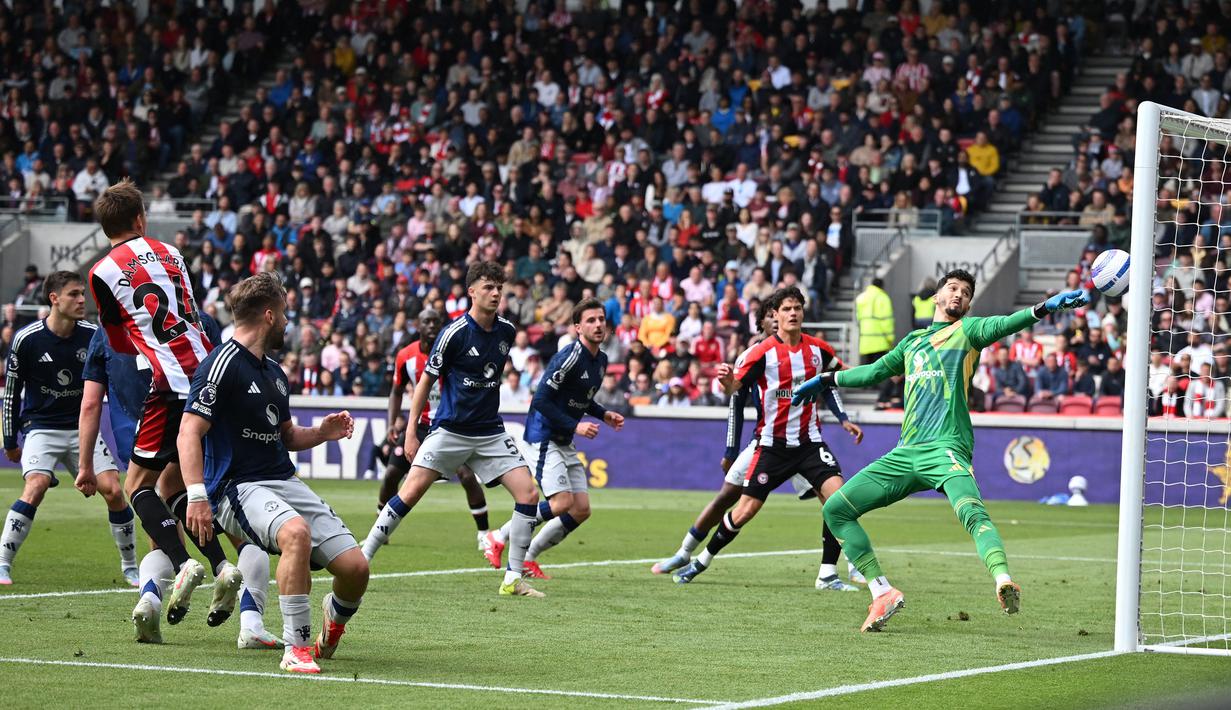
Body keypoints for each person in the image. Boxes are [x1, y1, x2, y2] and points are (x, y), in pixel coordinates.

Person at [793, 269, 1088, 631]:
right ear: (936, 297)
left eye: (966, 292)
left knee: (973, 514)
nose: (959, 295)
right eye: (952, 288)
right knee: (836, 510)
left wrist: (1044, 308)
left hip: (946, 448)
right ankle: (881, 592)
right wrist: (827, 379)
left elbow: (1006, 323)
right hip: (906, 453)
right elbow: (871, 373)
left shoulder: (968, 332)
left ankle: (1003, 580)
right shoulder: (912, 342)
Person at [178, 272, 369, 673]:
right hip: (236, 487)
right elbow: (188, 433)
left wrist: (321, 433)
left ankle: (332, 623)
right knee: (295, 533)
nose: (287, 322)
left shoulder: (274, 373)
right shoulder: (221, 365)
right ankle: (296, 649)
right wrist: (196, 495)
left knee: (356, 569)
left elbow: (284, 435)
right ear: (269, 314)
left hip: (282, 480)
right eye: (284, 313)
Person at [87, 179, 241, 635]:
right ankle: (221, 566)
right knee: (174, 486)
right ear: (140, 219)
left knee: (137, 485)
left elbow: (116, 340)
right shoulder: (171, 252)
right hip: (208, 373)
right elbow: (192, 311)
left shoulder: (100, 272)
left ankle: (181, 562)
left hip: (169, 382)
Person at [78, 310, 283, 649]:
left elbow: (90, 404)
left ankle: (153, 597)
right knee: (238, 532)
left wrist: (86, 462)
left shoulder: (108, 329)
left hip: (144, 429)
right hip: (198, 425)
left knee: (151, 516)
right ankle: (247, 614)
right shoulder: (199, 319)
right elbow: (226, 377)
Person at [651, 293, 865, 591]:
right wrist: (726, 387)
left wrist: (847, 411)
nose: (792, 313)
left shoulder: (818, 350)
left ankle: (830, 573)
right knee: (742, 508)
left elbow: (834, 378)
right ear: (774, 315)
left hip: (809, 444)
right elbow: (735, 391)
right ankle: (698, 559)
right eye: (786, 309)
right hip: (770, 445)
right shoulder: (760, 353)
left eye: (797, 308)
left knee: (838, 501)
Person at [360, 262, 546, 598]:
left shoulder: (506, 331)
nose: (495, 293)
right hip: (451, 430)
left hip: (489, 432)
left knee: (528, 495)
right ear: (472, 291)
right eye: (489, 287)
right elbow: (424, 383)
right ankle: (363, 557)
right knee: (410, 491)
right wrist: (412, 432)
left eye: (499, 288)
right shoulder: (454, 333)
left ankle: (512, 578)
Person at [0, 271, 137, 586]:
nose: (82, 301)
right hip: (41, 429)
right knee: (35, 487)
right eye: (74, 294)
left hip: (82, 430)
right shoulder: (27, 339)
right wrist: (10, 438)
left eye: (82, 294)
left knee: (115, 491)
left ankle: (130, 567)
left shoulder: (93, 335)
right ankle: (3, 563)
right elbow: (11, 392)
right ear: (54, 299)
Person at [483, 298, 624, 579]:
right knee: (561, 503)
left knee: (581, 510)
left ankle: (529, 558)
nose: (598, 325)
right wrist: (577, 426)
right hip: (543, 435)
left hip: (563, 436)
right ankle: (497, 536)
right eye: (591, 321)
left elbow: (580, 399)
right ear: (578, 327)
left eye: (601, 319)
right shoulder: (569, 356)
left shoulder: (601, 360)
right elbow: (541, 400)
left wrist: (602, 414)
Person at [382, 308, 490, 548]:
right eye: (426, 322)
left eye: (436, 322)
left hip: (449, 426)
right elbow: (397, 390)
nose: (432, 326)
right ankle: (381, 528)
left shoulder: (453, 350)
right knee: (391, 474)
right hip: (419, 426)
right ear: (417, 326)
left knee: (466, 476)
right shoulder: (405, 356)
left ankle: (484, 533)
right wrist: (392, 422)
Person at [855, 277, 894, 364]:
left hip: (865, 343)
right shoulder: (884, 298)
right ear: (882, 286)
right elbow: (887, 321)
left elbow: (858, 319)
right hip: (880, 343)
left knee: (866, 372)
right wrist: (890, 339)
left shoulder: (861, 297)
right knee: (879, 372)